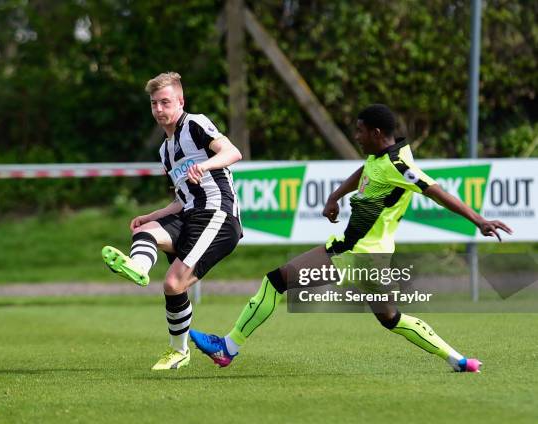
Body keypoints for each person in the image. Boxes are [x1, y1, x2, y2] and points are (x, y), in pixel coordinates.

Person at [190, 104, 512, 372]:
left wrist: (478, 220)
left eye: (360, 131)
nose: (356, 137)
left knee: (276, 281)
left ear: (375, 133)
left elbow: (436, 191)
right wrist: (335, 195)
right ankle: (459, 360)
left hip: (356, 253)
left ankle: (228, 347)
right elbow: (365, 170)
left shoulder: (398, 165)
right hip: (374, 258)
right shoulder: (382, 156)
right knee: (391, 318)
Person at [102, 72, 243, 370]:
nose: (159, 109)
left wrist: (204, 166)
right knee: (146, 232)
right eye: (154, 104)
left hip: (217, 214)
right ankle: (139, 268)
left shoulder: (195, 123)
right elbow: (182, 198)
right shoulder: (165, 151)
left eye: (165, 102)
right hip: (190, 213)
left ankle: (179, 350)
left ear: (180, 101)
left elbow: (233, 152)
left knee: (173, 282)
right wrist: (153, 215)